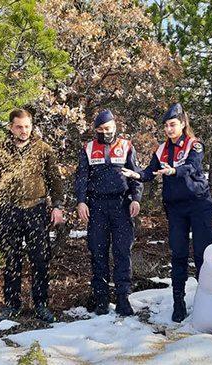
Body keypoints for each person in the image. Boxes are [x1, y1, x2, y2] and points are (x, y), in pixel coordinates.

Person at [122, 103, 212, 323]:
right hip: (176, 208)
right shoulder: (161, 149)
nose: (169, 129)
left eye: (173, 124)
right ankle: (178, 302)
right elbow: (150, 172)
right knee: (178, 254)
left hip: (199, 204)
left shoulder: (195, 144)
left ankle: (207, 302)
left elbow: (193, 166)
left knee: (203, 255)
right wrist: (135, 175)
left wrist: (174, 170)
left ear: (182, 124)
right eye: (166, 126)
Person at [0, 108, 64, 323]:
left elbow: (55, 181)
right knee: (11, 260)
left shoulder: (43, 149)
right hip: (10, 210)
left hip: (36, 210)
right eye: (19, 127)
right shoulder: (0, 151)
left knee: (40, 260)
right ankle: (12, 305)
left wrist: (57, 206)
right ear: (11, 127)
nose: (24, 131)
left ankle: (41, 304)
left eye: (27, 126)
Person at [75, 110, 143, 316]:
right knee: (98, 252)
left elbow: (136, 175)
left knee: (122, 252)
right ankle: (101, 299)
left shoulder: (126, 146)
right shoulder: (88, 148)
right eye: (101, 129)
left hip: (121, 205)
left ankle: (123, 298)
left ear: (115, 127)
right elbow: (81, 178)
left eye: (109, 128)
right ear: (96, 130)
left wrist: (136, 199)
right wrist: (81, 202)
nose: (106, 132)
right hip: (96, 207)